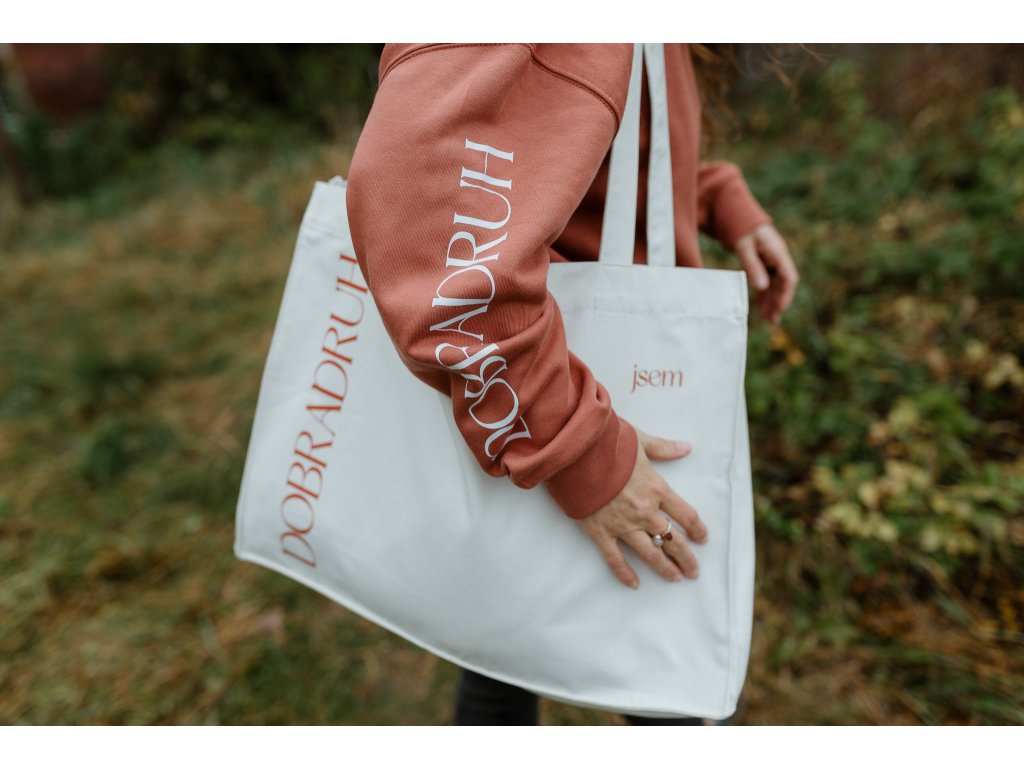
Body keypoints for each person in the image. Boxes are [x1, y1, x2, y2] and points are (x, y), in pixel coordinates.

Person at [346, 43, 799, 726]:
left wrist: (716, 197)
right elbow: (422, 204)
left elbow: (573, 154)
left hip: (545, 411)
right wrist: (580, 451)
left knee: (500, 639)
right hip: (575, 415)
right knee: (668, 681)